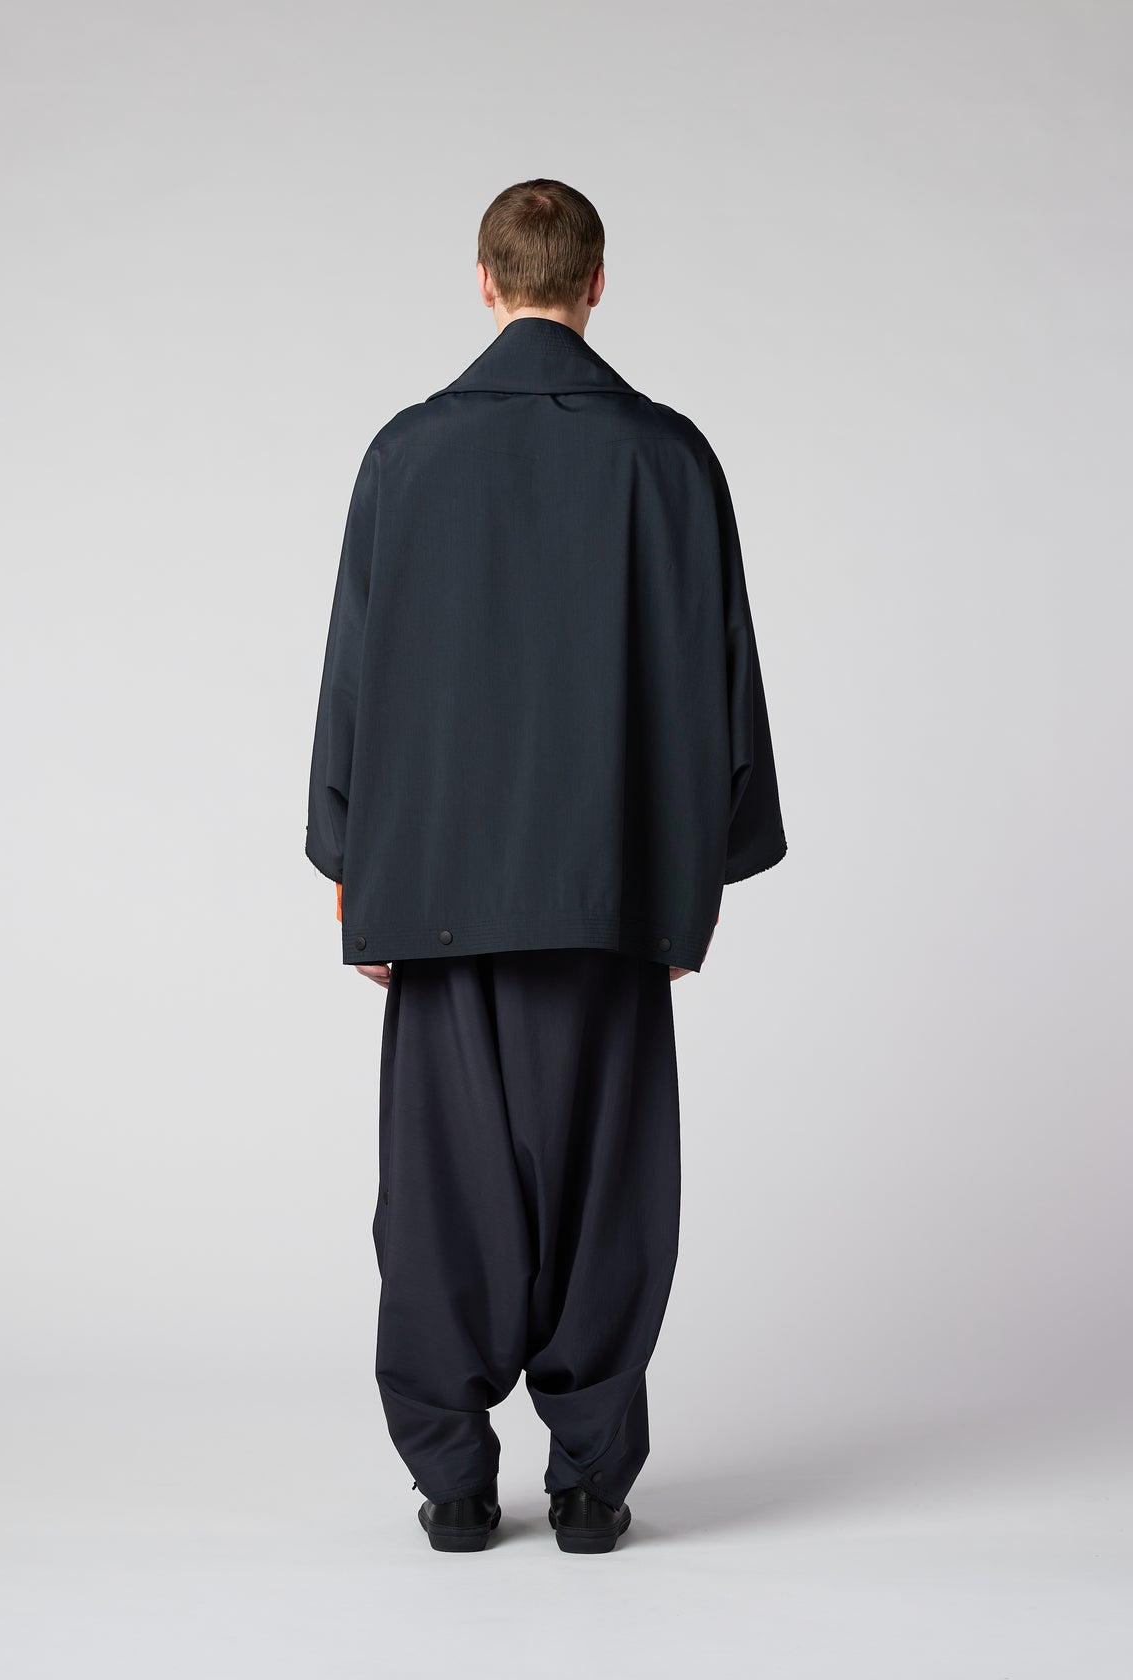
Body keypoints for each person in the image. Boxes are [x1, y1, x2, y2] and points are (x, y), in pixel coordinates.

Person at [305, 178, 787, 1554]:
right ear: (596, 283)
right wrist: (695, 881)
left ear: (484, 281)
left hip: (438, 890)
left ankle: (455, 1485)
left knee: (442, 1198)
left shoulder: (406, 456)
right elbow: (722, 682)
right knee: (609, 1192)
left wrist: (354, 864)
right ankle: (589, 1481)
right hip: (612, 888)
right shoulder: (668, 458)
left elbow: (357, 675)